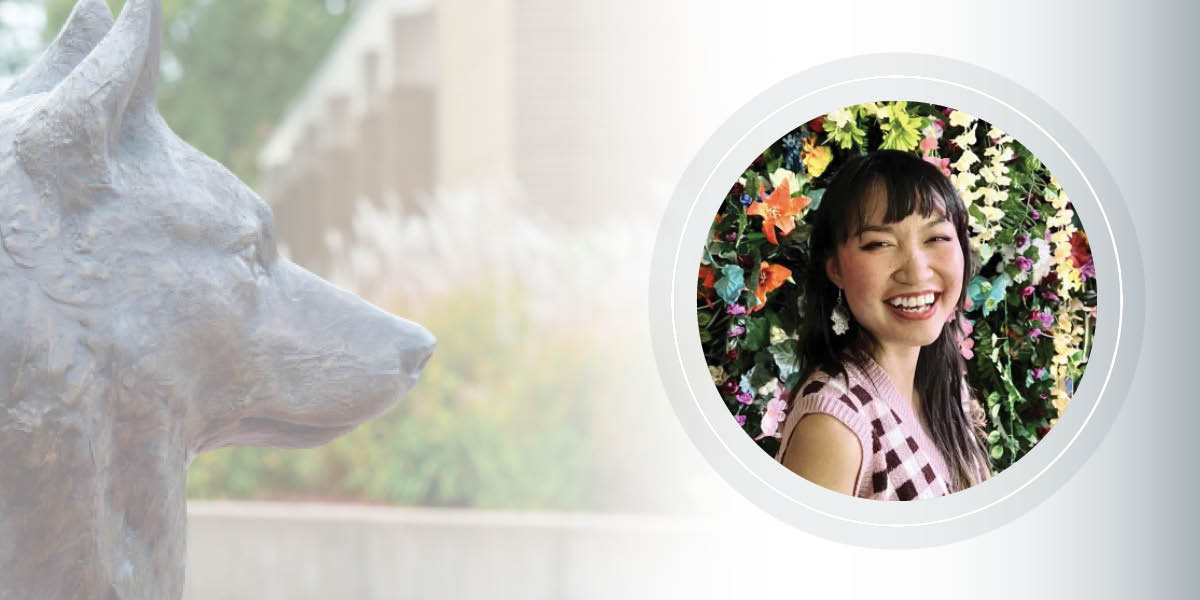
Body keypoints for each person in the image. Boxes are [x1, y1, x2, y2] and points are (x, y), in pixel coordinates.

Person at [774, 149, 991, 500]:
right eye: (879, 244)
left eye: (936, 238)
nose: (917, 270)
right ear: (835, 270)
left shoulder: (946, 382)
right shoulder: (835, 424)